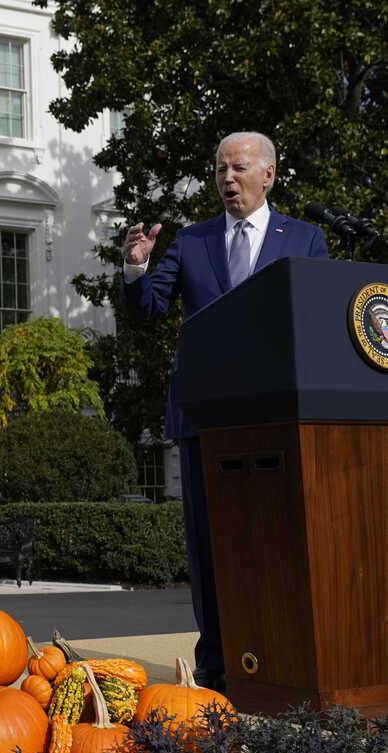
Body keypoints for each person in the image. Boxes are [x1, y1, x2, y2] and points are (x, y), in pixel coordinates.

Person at [120, 131, 329, 691]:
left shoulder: (307, 241)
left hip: (280, 419)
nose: (227, 178)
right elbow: (148, 309)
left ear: (268, 175)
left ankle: (289, 655)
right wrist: (137, 268)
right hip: (204, 421)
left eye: (238, 168)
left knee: (282, 539)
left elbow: (316, 324)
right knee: (210, 545)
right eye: (219, 170)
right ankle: (215, 659)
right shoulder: (193, 241)